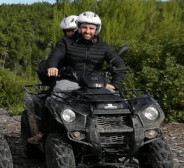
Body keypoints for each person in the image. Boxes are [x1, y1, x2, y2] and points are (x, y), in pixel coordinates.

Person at [27, 12, 128, 145]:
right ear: (80, 27)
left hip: (94, 84)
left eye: (91, 28)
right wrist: (52, 66)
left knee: (117, 102)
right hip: (69, 81)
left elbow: (120, 65)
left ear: (97, 29)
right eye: (85, 27)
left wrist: (115, 84)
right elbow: (55, 56)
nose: (88, 31)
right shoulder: (66, 42)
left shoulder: (103, 46)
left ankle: (115, 134)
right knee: (52, 99)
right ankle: (42, 132)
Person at [36, 15, 79, 82]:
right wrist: (52, 66)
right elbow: (56, 54)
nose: (70, 33)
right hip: (67, 79)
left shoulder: (90, 43)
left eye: (73, 30)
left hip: (89, 80)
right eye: (68, 31)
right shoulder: (63, 43)